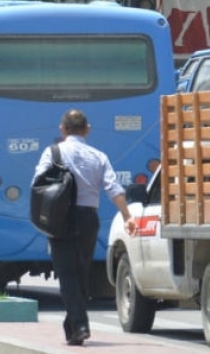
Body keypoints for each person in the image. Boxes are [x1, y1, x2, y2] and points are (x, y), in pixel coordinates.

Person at [31, 109, 136, 347]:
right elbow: (113, 189)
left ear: (62, 129)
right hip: (88, 218)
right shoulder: (98, 156)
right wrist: (127, 216)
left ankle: (79, 325)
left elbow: (37, 182)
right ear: (87, 129)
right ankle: (74, 328)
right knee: (80, 272)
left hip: (61, 218)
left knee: (66, 273)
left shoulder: (52, 152)